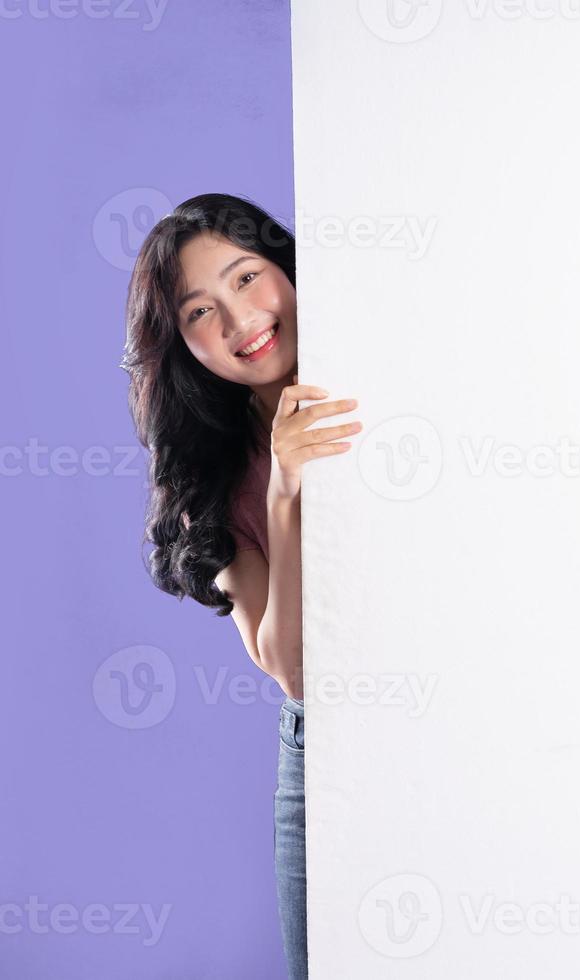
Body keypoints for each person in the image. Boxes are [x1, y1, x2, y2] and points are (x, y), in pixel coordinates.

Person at [121, 194, 358, 979]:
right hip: (320, 751)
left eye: (248, 278)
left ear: (285, 268)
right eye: (200, 312)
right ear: (184, 345)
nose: (240, 320)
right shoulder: (212, 482)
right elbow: (292, 669)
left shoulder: (373, 354)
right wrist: (284, 491)